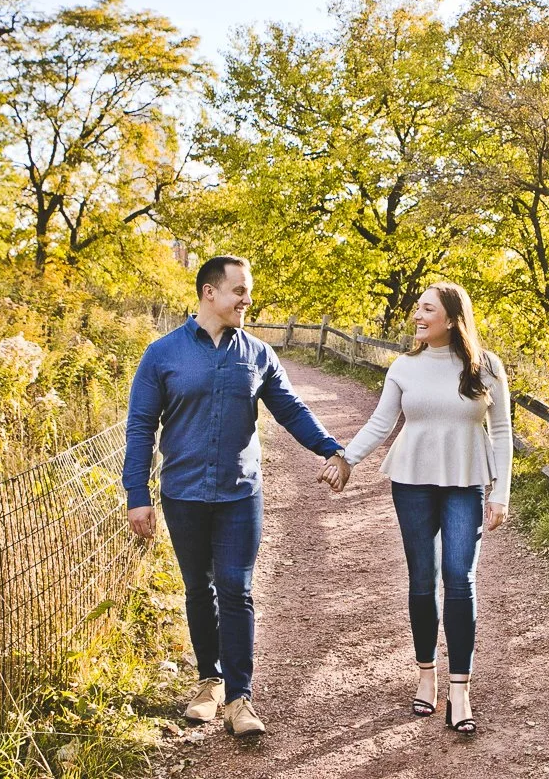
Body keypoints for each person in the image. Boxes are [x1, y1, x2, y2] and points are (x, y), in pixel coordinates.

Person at [123, 255, 348, 738]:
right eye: (239, 290)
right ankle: (209, 682)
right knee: (198, 588)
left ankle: (240, 698)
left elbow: (291, 409)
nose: (247, 300)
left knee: (236, 588)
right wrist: (136, 493)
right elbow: (140, 426)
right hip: (183, 493)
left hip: (240, 494)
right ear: (210, 292)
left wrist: (331, 448)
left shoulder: (258, 354)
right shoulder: (161, 355)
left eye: (248, 291)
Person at [319, 282, 511, 735]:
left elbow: (502, 432)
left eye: (427, 309)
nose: (417, 316)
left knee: (459, 579)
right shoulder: (404, 367)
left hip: (465, 483)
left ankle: (460, 690)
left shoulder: (487, 367)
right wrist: (345, 458)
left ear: (452, 318)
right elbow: (381, 422)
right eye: (418, 309)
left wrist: (500, 493)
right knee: (422, 580)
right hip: (412, 484)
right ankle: (427, 675)